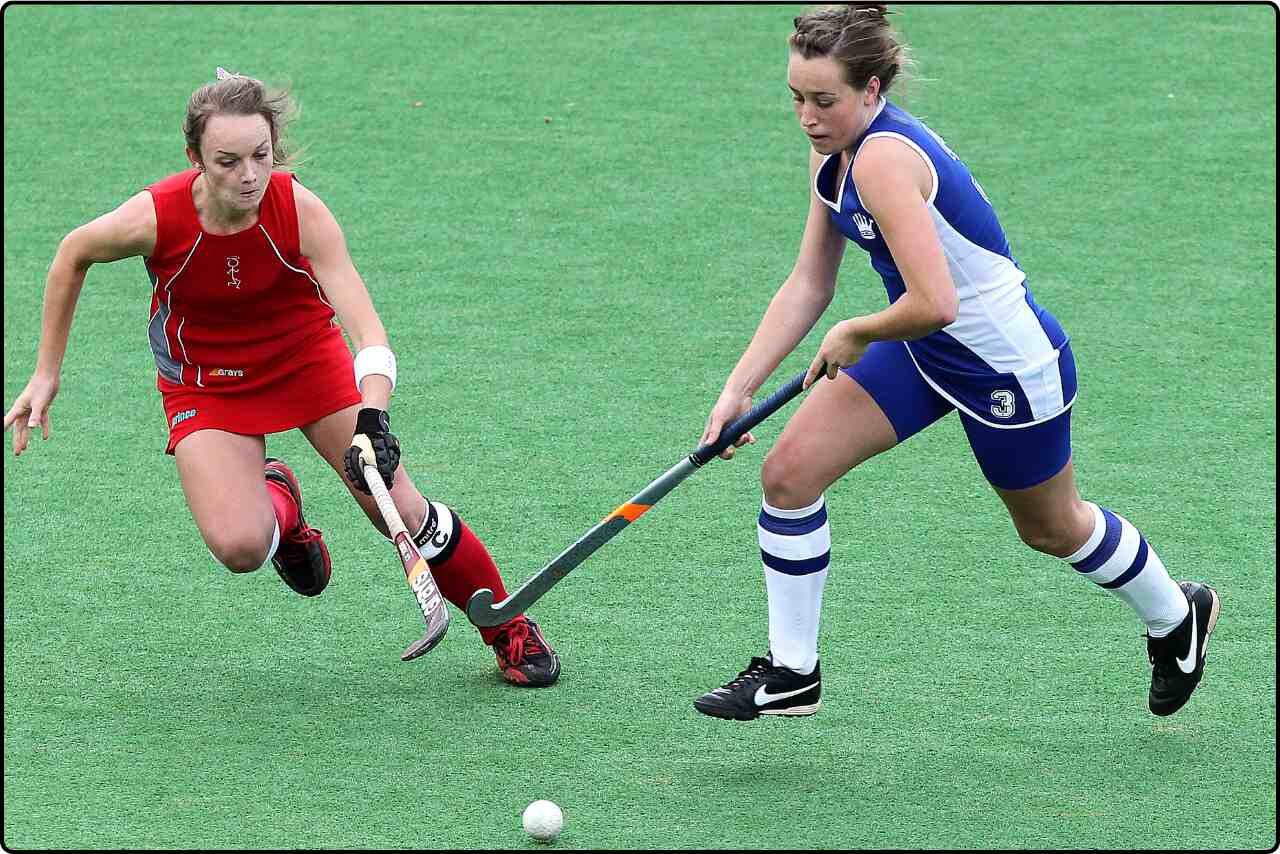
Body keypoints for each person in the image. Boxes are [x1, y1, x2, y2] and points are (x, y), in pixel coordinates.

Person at [692, 5, 1218, 721]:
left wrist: (858, 330)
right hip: (924, 353)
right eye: (796, 98)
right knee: (788, 474)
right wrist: (737, 390)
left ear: (872, 90)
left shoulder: (883, 159)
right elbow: (808, 283)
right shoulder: (833, 155)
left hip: (1005, 370)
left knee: (1050, 527)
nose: (808, 117)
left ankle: (1175, 614)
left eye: (824, 100)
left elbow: (936, 300)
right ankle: (793, 672)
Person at [3, 68, 559, 687]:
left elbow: (368, 334)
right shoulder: (154, 218)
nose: (248, 175)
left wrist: (373, 415)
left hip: (305, 362)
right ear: (195, 159)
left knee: (396, 508)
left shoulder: (299, 209)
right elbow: (70, 254)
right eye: (227, 161)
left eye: (260, 156)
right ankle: (285, 512)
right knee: (241, 547)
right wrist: (46, 372)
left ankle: (506, 625)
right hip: (206, 382)